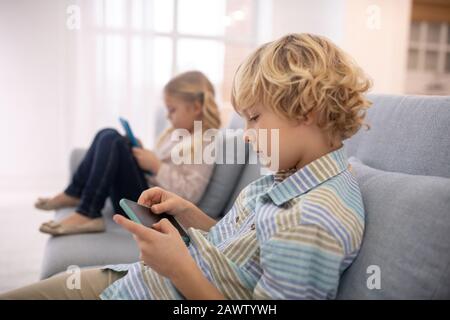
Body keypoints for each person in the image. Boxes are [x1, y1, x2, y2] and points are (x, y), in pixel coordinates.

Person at [1, 33, 371, 299]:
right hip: (133, 280)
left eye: (255, 118)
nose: (245, 135)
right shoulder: (288, 178)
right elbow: (239, 251)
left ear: (307, 109)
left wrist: (178, 267)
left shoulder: (311, 219)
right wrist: (192, 215)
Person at [35, 71, 221, 236]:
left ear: (196, 108)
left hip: (151, 209)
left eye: (172, 110)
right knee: (107, 134)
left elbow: (189, 195)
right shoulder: (175, 134)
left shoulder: (205, 142)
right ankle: (74, 193)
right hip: (144, 190)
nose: (167, 116)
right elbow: (161, 167)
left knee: (112, 140)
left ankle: (88, 213)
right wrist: (143, 155)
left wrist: (156, 166)